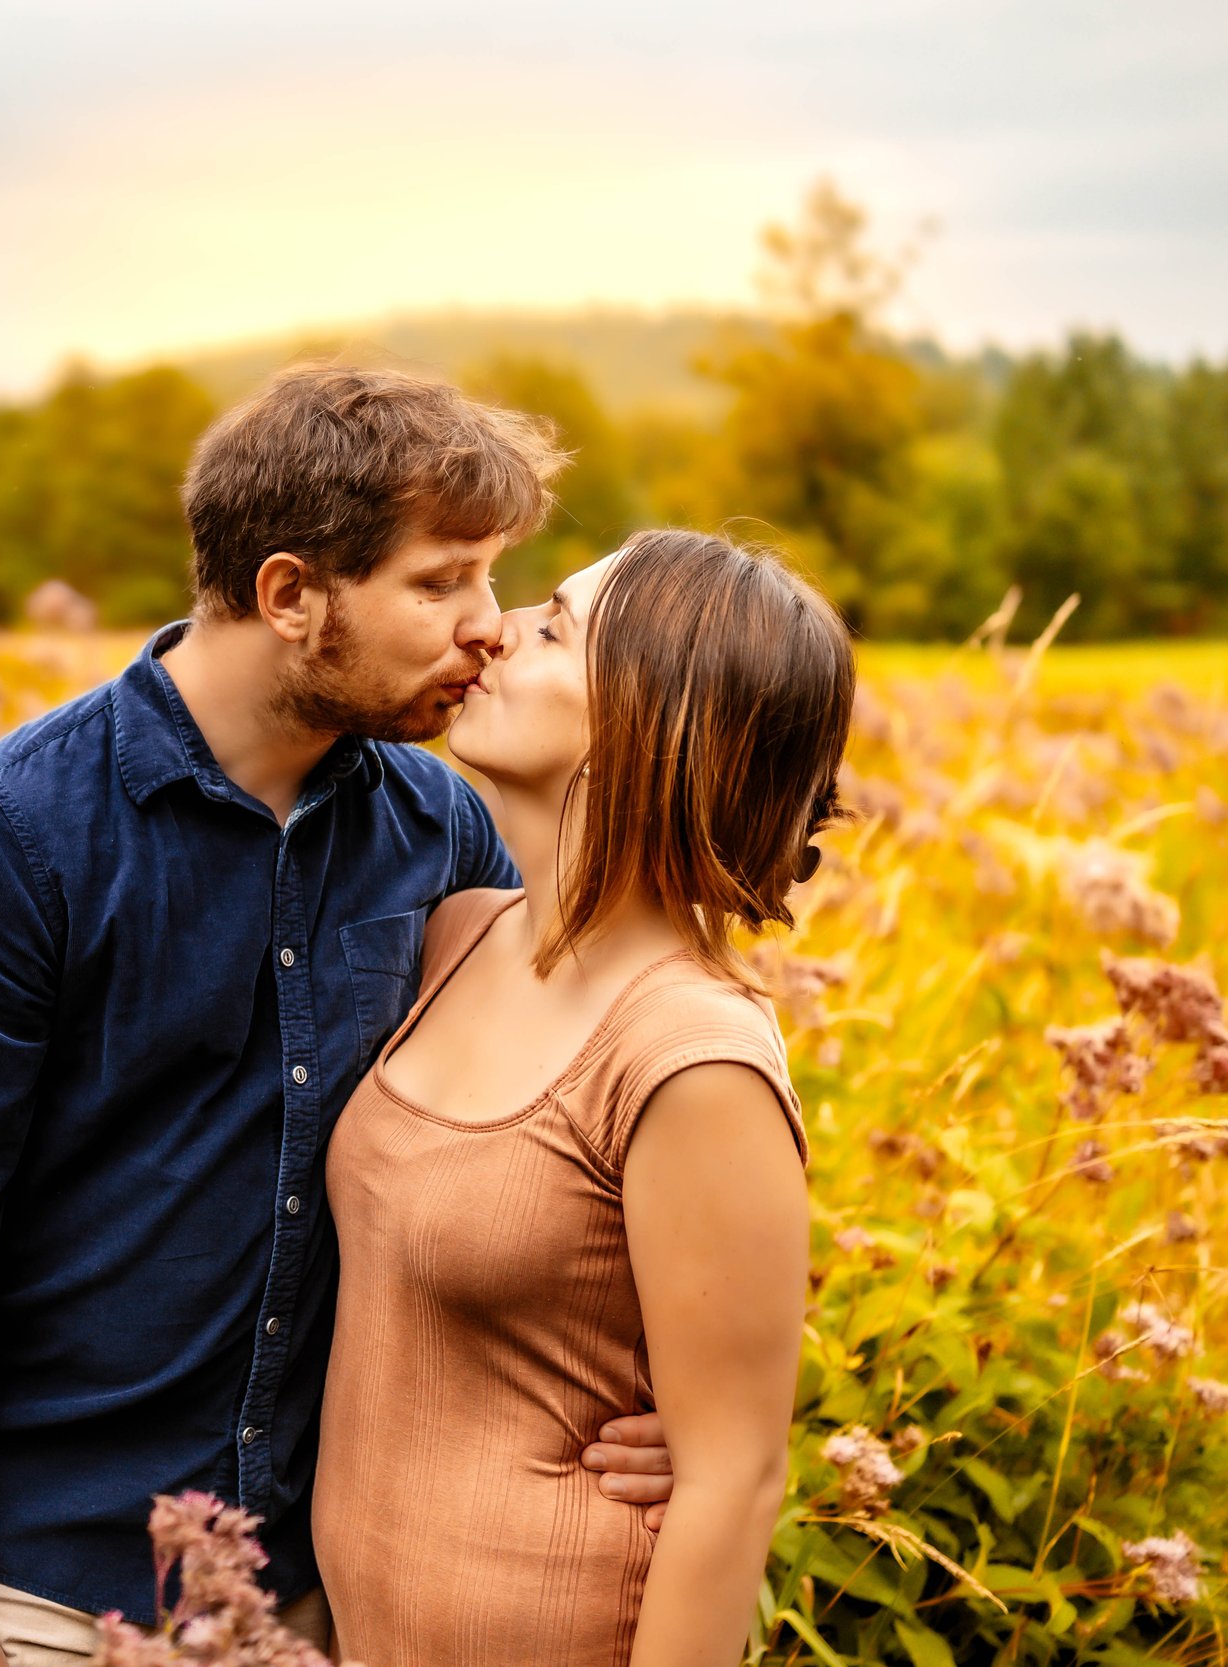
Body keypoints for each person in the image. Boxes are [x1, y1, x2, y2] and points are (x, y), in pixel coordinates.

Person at [0, 365, 684, 1667]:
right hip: (32, 1588)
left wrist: (670, 1390)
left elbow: (538, 1145)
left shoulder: (434, 826)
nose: (488, 627)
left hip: (296, 1590)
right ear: (290, 595)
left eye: (495, 579)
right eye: (441, 581)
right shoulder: (13, 839)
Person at [313, 529, 853, 1667]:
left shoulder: (691, 1056)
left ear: (655, 721)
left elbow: (731, 1481)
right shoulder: (455, 937)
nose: (492, 629)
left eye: (554, 625)